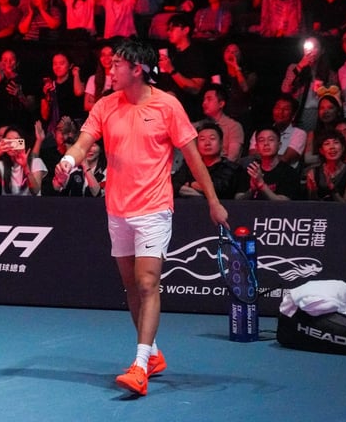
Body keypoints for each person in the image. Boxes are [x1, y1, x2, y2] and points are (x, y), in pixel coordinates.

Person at [54, 38, 229, 396]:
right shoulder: (105, 105)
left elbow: (194, 157)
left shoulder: (168, 106)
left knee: (147, 283)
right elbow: (83, 143)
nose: (110, 69)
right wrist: (68, 162)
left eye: (117, 63)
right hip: (117, 208)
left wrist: (213, 200)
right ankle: (153, 354)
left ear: (137, 69)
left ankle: (138, 366)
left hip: (154, 207)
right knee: (131, 285)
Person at [172, 121, 245, 203]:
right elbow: (173, 185)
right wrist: (198, 192)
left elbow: (220, 189)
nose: (207, 143)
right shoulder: (189, 165)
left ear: (221, 143)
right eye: (202, 139)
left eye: (212, 138)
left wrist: (190, 185)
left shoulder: (232, 168)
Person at [155, 13, 208, 120]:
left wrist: (171, 70)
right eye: (168, 29)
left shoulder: (196, 54)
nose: (169, 32)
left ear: (186, 30)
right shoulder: (171, 53)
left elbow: (196, 88)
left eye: (173, 28)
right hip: (167, 113)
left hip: (189, 115)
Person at [240, 128, 301, 201]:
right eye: (261, 140)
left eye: (271, 139)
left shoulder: (289, 173)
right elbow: (238, 200)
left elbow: (284, 203)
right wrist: (252, 190)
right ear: (256, 147)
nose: (266, 144)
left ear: (279, 145)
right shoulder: (250, 170)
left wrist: (261, 185)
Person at [0, 126, 47, 196]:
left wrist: (25, 167)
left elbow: (35, 191)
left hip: (31, 205)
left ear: (23, 142)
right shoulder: (1, 165)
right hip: (8, 205)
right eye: (9, 141)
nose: (12, 145)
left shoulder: (36, 162)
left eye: (16, 140)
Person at [304, 130, 346, 202]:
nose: (332, 147)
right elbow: (311, 204)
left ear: (343, 148)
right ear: (321, 150)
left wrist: (332, 189)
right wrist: (313, 191)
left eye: (336, 142)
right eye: (327, 143)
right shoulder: (313, 172)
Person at [198, 84, 244, 162]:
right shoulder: (198, 126)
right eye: (204, 100)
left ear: (221, 104)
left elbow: (232, 157)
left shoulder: (234, 126)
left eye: (209, 99)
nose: (204, 103)